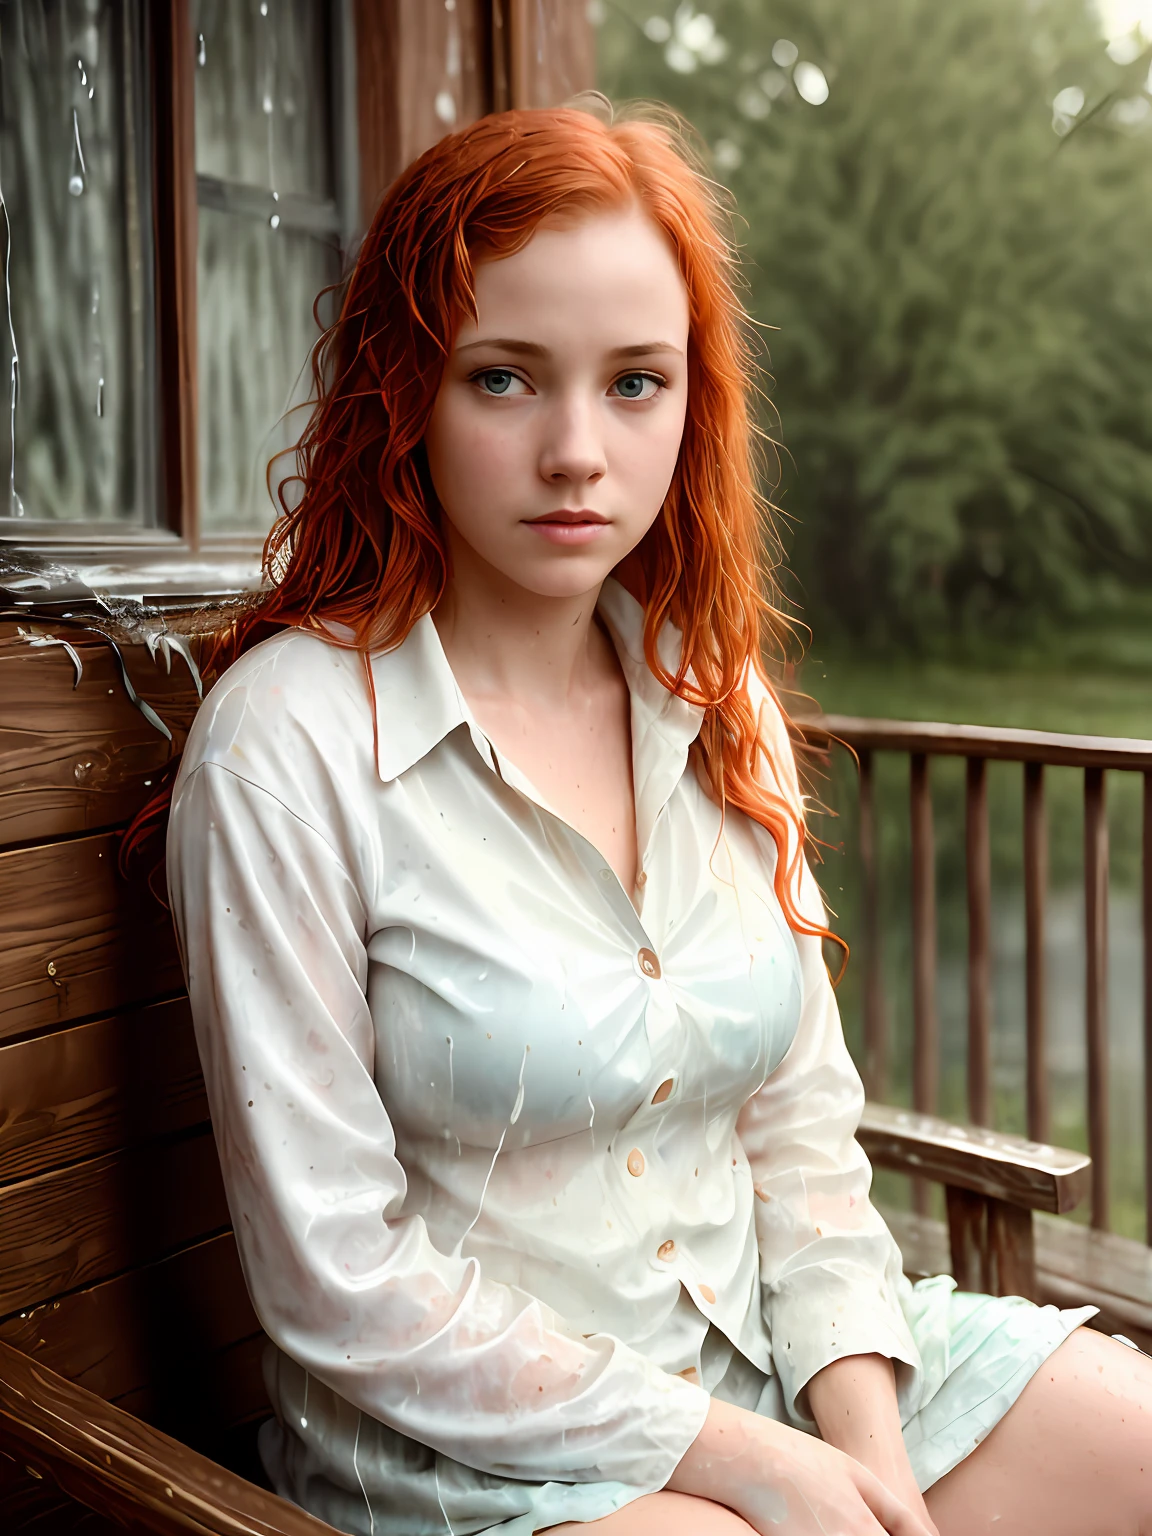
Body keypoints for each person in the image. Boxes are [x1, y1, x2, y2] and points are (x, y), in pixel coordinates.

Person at [166, 103, 1152, 1536]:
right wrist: (752, 1467)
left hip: (780, 1357)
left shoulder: (712, 689)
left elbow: (801, 1128)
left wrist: (862, 1454)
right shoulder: (291, 743)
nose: (578, 450)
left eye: (636, 383)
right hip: (483, 1444)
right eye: (504, 380)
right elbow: (340, 1281)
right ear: (405, 393)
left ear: (694, 404)